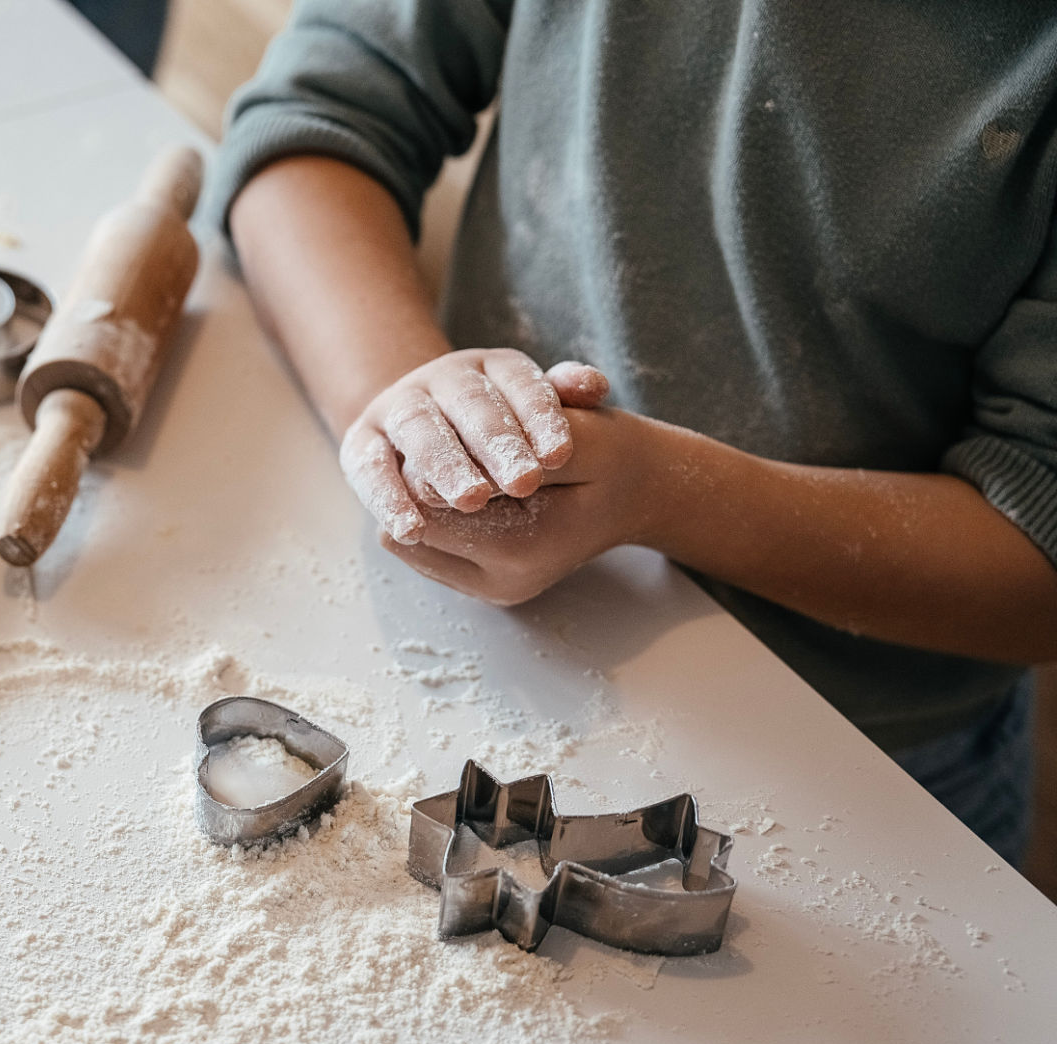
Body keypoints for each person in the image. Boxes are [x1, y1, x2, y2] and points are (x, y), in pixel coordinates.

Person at [207, 1, 1057, 864]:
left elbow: (1039, 556)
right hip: (491, 634)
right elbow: (313, 122)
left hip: (862, 737)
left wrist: (668, 491)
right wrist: (408, 410)